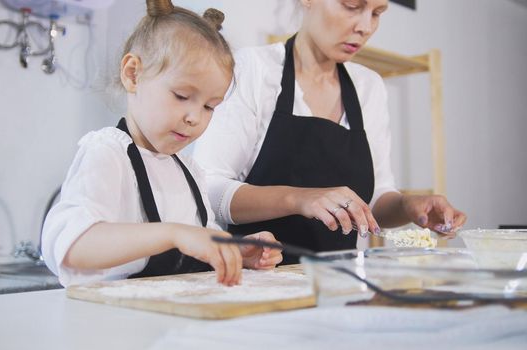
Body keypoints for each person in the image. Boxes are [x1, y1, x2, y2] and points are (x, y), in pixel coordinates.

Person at [193, 0, 466, 264]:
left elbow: (375, 200)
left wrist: (408, 206)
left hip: (339, 280)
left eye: (377, 13)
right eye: (352, 6)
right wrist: (299, 198)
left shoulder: (368, 86)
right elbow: (209, 189)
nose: (365, 27)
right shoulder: (253, 69)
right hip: (255, 279)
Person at [41, 0, 282, 287]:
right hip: (106, 324)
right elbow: (73, 248)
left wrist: (237, 251)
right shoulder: (107, 153)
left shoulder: (189, 171)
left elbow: (200, 241)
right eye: (182, 96)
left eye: (209, 106)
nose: (195, 118)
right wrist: (174, 234)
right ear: (133, 74)